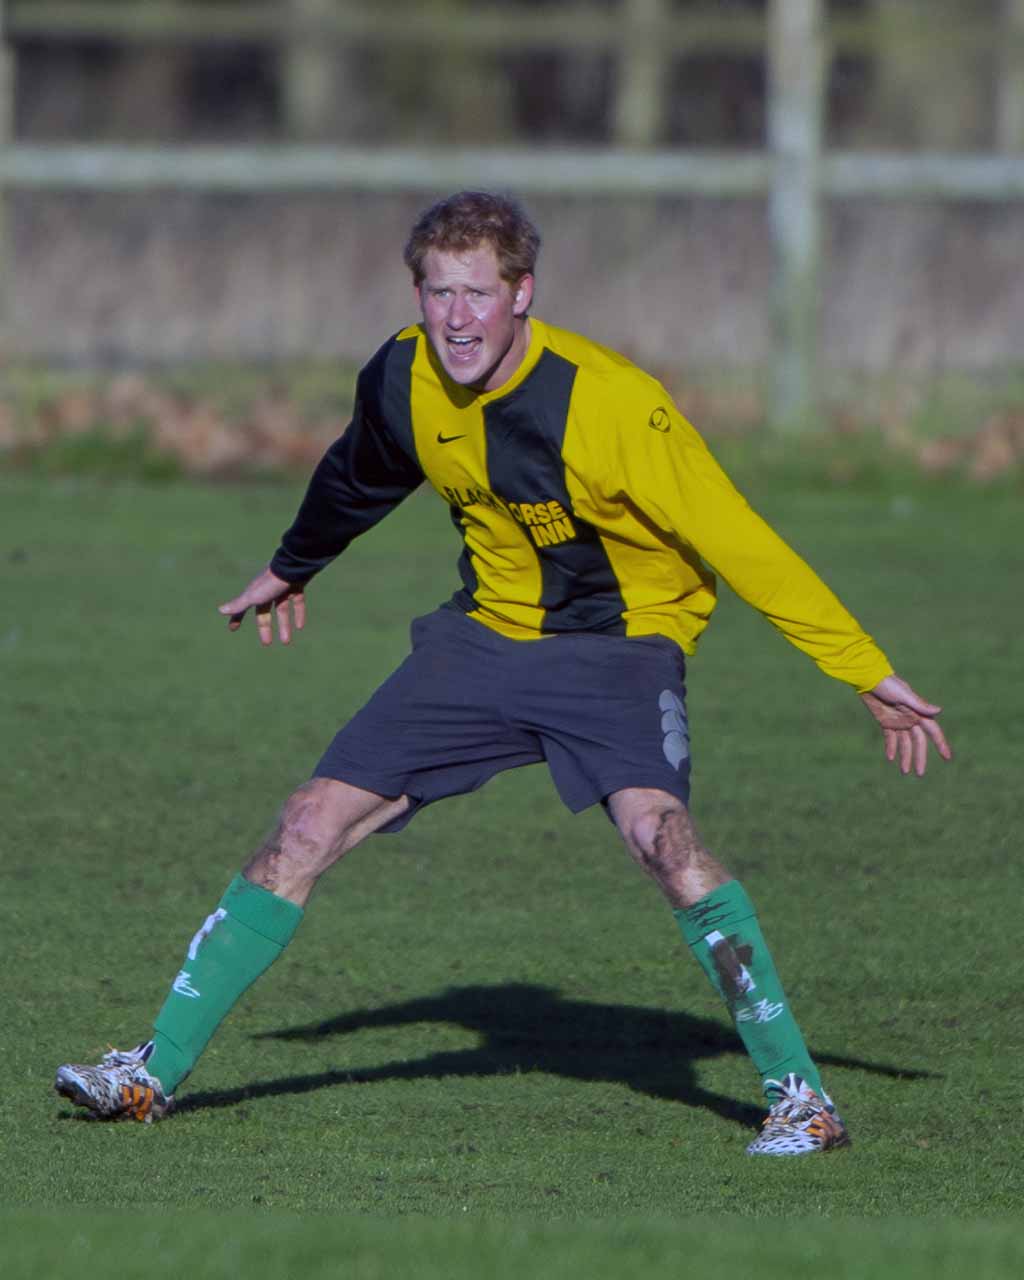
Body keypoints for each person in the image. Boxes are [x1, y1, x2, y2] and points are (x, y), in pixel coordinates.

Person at [56, 190, 951, 1155]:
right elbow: (360, 472)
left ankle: (802, 1101)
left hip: (618, 648)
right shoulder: (403, 374)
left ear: (523, 293)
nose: (456, 318)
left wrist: (862, 670)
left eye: (477, 293)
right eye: (438, 292)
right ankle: (148, 1074)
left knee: (662, 838)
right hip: (481, 642)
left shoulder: (614, 405)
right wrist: (292, 565)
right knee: (308, 820)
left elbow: (742, 543)